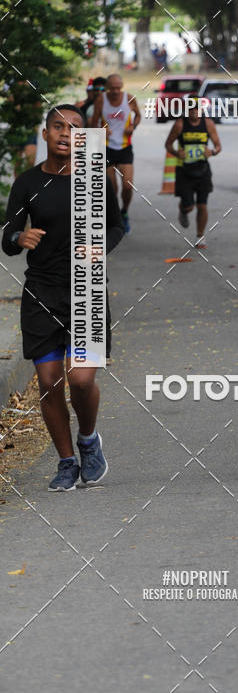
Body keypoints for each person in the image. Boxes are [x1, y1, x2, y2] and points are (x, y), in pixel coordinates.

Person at [2, 105, 124, 491]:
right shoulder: (26, 182)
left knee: (82, 380)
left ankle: (88, 440)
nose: (65, 133)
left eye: (75, 128)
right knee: (50, 380)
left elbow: (118, 225)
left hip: (86, 287)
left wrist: (101, 247)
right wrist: (19, 238)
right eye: (58, 126)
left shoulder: (96, 179)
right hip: (41, 290)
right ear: (45, 133)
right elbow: (7, 235)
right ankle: (66, 461)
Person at [165, 99, 221, 247]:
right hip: (184, 171)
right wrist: (177, 153)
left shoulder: (208, 124)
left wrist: (212, 152)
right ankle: (183, 210)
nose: (194, 111)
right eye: (191, 109)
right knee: (189, 206)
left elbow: (218, 145)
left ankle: (200, 236)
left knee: (202, 205)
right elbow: (168, 144)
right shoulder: (180, 124)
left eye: (197, 108)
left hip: (203, 170)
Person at [90, 73, 141, 234]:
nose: (115, 91)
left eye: (118, 88)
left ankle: (124, 211)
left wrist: (133, 127)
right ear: (107, 88)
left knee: (127, 185)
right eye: (112, 88)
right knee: (112, 188)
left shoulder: (129, 99)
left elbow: (138, 115)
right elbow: (93, 122)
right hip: (107, 148)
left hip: (125, 147)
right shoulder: (101, 100)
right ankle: (113, 218)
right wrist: (99, 131)